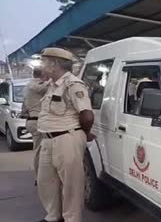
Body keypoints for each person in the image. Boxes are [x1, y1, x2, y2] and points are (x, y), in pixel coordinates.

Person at [36, 47, 95, 222]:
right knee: (45, 182)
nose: (42, 64)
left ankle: (71, 218)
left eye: (45, 61)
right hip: (47, 140)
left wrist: (82, 134)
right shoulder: (52, 85)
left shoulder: (73, 84)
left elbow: (87, 114)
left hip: (66, 138)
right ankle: (54, 216)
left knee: (71, 185)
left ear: (54, 64)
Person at [21, 67, 50, 182]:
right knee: (39, 151)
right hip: (37, 121)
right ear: (42, 74)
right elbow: (45, 87)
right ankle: (38, 178)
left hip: (33, 120)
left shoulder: (28, 86)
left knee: (43, 150)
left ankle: (43, 176)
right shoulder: (35, 85)